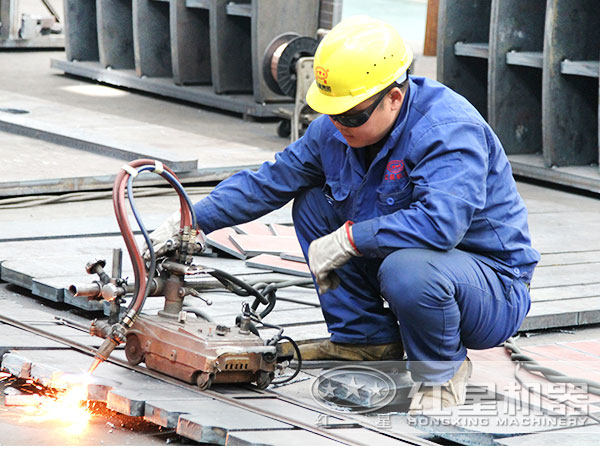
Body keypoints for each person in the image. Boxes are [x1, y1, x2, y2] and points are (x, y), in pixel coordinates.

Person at [149, 16, 540, 411]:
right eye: (331, 112)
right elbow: (271, 180)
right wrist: (191, 221)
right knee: (313, 205)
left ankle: (442, 373)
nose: (339, 124)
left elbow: (441, 226)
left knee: (408, 270)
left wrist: (350, 238)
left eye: (351, 115)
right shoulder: (336, 129)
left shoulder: (447, 131)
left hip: (488, 288)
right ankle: (365, 341)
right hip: (411, 262)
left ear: (394, 98)